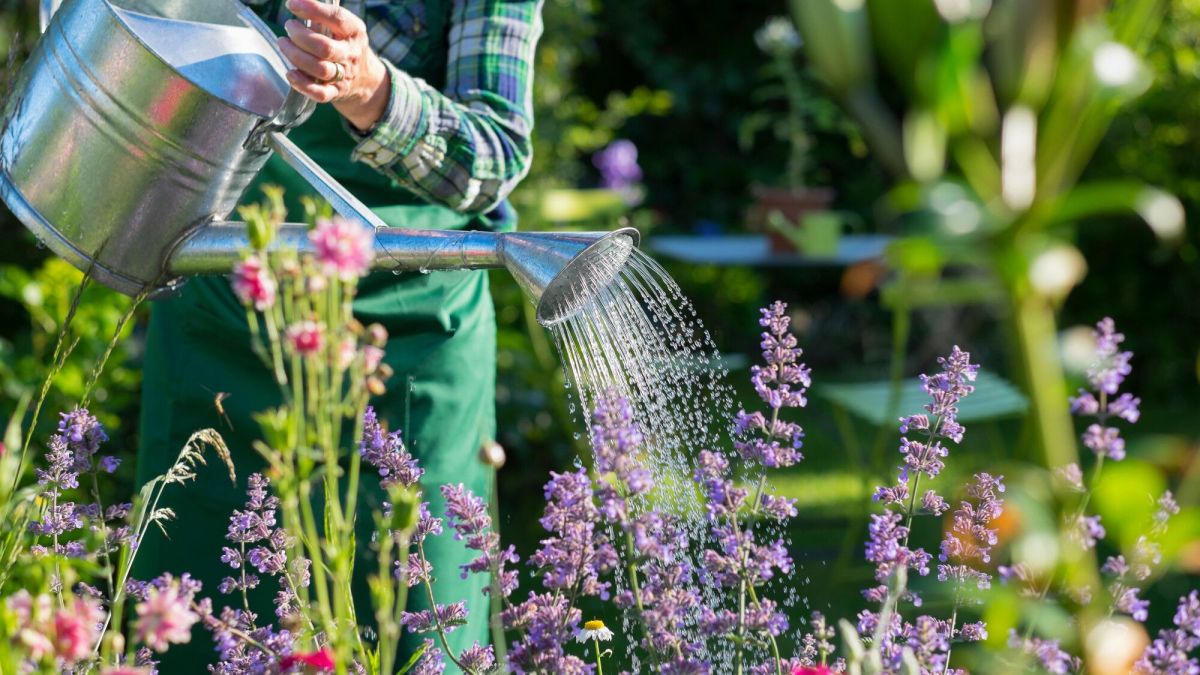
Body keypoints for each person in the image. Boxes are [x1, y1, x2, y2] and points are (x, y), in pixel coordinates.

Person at [133, 0, 544, 670]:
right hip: (225, 308)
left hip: (409, 327)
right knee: (201, 625)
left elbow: (493, 157)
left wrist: (370, 89)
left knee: (415, 626)